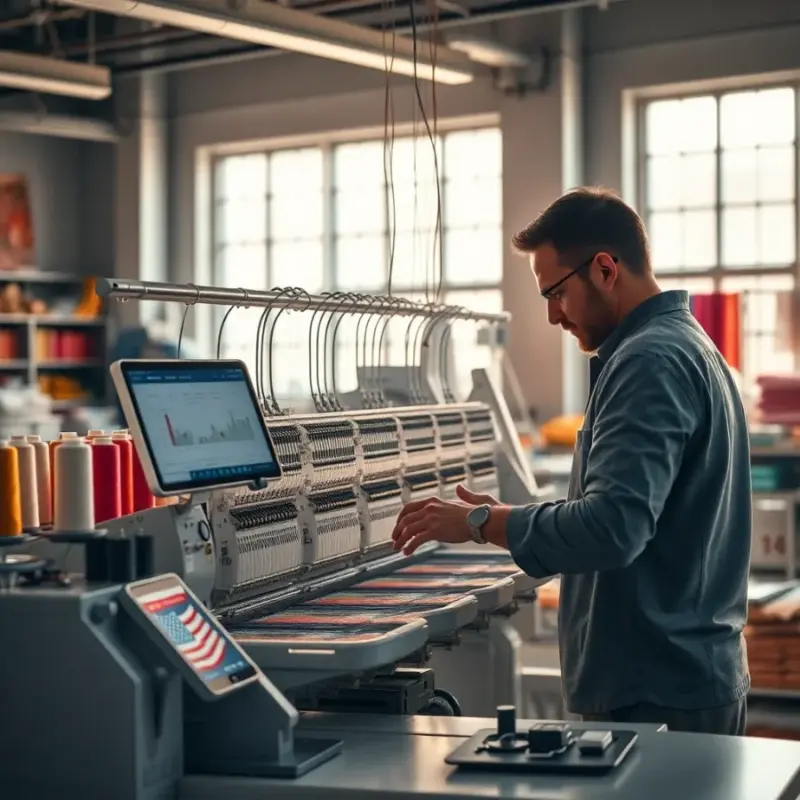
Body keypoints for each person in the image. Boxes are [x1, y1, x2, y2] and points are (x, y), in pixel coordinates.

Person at [392, 187, 751, 736]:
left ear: (605, 269)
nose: (554, 315)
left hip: (655, 688)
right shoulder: (684, 345)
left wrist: (481, 523)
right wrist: (509, 515)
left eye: (556, 293)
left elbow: (613, 527)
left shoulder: (649, 361)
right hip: (679, 677)